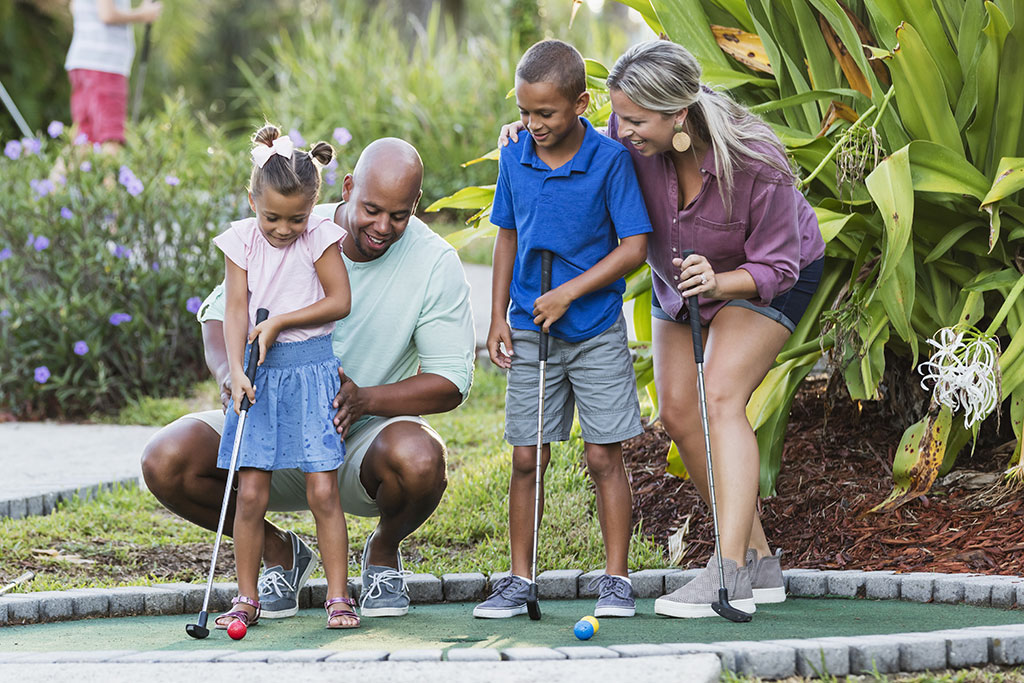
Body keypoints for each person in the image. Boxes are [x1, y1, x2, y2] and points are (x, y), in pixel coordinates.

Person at [502, 39, 826, 618]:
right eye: (616, 115)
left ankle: (729, 574)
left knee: (721, 396)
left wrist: (722, 283)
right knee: (678, 412)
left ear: (678, 113)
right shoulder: (627, 137)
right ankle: (760, 559)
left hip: (765, 275)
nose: (620, 130)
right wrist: (525, 133)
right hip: (678, 279)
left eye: (634, 120)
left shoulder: (754, 160)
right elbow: (574, 146)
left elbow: (776, 264)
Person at [141, 137, 475, 621]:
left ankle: (381, 554)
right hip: (267, 415)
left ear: (415, 207)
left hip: (356, 441)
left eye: (399, 216)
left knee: (421, 458)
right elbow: (221, 315)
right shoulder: (286, 225)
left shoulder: (434, 262)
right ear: (347, 188)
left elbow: (451, 382)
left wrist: (363, 400)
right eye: (372, 209)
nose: (383, 226)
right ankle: (280, 551)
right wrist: (231, 375)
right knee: (165, 459)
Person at [474, 39, 652, 620]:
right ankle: (518, 579)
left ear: (580, 103)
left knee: (604, 456)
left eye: (545, 113)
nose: (532, 125)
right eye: (525, 113)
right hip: (530, 330)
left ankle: (617, 581)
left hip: (595, 328)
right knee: (528, 457)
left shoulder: (609, 161)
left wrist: (572, 291)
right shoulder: (515, 157)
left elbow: (635, 247)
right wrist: (499, 314)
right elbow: (506, 235)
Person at [212, 125, 356, 631]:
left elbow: (339, 300)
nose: (282, 228)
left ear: (312, 207)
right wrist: (235, 370)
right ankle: (246, 597)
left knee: (323, 491)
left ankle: (338, 597)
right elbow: (234, 309)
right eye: (271, 216)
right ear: (252, 199)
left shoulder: (318, 236)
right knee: (250, 494)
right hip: (258, 375)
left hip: (311, 370)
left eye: (296, 218)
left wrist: (278, 321)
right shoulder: (241, 241)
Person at [64, 0, 162, 152]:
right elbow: (107, 14)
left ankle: (53, 177)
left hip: (82, 61)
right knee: (112, 139)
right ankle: (112, 176)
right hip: (105, 65)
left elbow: (74, 7)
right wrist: (143, 14)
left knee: (83, 140)